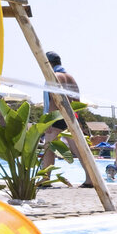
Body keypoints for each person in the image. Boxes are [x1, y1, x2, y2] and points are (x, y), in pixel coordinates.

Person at [41, 50, 79, 185]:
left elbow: (53, 101)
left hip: (57, 116)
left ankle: (46, 179)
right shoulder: (70, 77)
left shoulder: (53, 76)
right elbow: (77, 98)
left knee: (48, 148)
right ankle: (90, 179)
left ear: (48, 63)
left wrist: (49, 121)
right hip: (71, 115)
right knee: (79, 150)